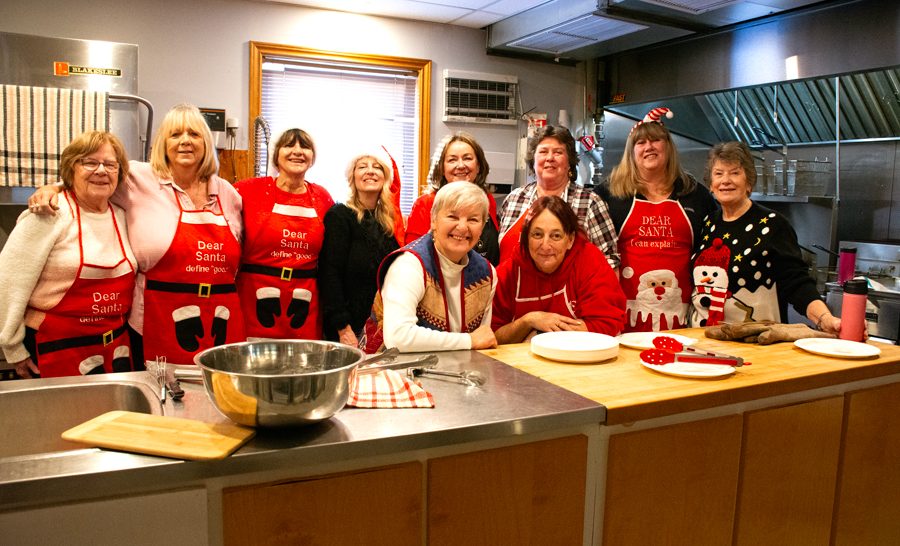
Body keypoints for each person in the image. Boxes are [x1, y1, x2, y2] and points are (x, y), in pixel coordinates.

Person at [28, 104, 245, 366]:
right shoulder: (137, 179)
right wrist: (53, 188)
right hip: (153, 321)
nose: (185, 141)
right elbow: (92, 179)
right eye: (175, 134)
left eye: (194, 134)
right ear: (163, 143)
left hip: (221, 320)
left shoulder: (227, 193)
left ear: (207, 143)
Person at [0, 131, 136, 378]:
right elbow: (8, 282)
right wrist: (13, 347)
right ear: (71, 168)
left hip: (115, 347)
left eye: (110, 164)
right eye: (90, 162)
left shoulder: (122, 215)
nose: (101, 171)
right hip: (55, 348)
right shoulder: (48, 214)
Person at [690, 141, 841, 333]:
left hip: (755, 339)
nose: (725, 180)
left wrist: (825, 318)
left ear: (749, 182)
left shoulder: (772, 225)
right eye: (719, 174)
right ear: (711, 185)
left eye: (735, 173)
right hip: (703, 337)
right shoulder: (707, 223)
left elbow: (796, 282)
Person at [598, 107, 718, 332]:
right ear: (631, 151)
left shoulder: (695, 193)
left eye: (655, 140)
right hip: (622, 318)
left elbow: (711, 251)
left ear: (668, 147)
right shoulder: (609, 194)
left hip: (682, 320)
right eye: (641, 142)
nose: (649, 147)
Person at [362, 182, 498, 353]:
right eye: (453, 217)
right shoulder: (408, 265)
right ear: (433, 220)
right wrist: (468, 340)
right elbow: (398, 338)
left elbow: (482, 339)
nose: (463, 227)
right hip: (392, 366)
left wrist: (473, 341)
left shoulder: (487, 273)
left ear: (482, 227)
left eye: (473, 219)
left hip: (456, 367)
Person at [234, 128, 334, 341]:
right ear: (276, 154)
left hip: (305, 302)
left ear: (312, 157)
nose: (297, 151)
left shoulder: (322, 197)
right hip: (254, 298)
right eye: (289, 145)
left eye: (305, 146)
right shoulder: (248, 190)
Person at [492, 196, 626, 343]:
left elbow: (607, 323)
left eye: (556, 236)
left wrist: (540, 334)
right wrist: (529, 320)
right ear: (526, 237)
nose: (545, 245)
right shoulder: (508, 273)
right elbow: (493, 334)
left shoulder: (589, 261)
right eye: (537, 234)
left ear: (570, 240)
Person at [498, 125, 619, 270]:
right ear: (533, 161)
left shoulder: (590, 203)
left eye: (558, 152)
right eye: (543, 152)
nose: (550, 158)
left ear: (569, 162)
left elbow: (610, 261)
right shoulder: (514, 199)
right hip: (512, 284)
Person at [319, 151, 402, 346]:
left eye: (377, 167)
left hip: (382, 326)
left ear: (385, 177)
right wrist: (342, 327)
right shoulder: (339, 216)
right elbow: (329, 274)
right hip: (348, 329)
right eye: (362, 166)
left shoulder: (390, 222)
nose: (370, 171)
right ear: (352, 177)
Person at [406, 132, 501, 264]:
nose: (460, 165)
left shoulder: (487, 200)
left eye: (467, 158)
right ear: (442, 168)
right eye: (452, 160)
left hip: (484, 275)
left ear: (478, 166)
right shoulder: (425, 203)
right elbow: (413, 256)